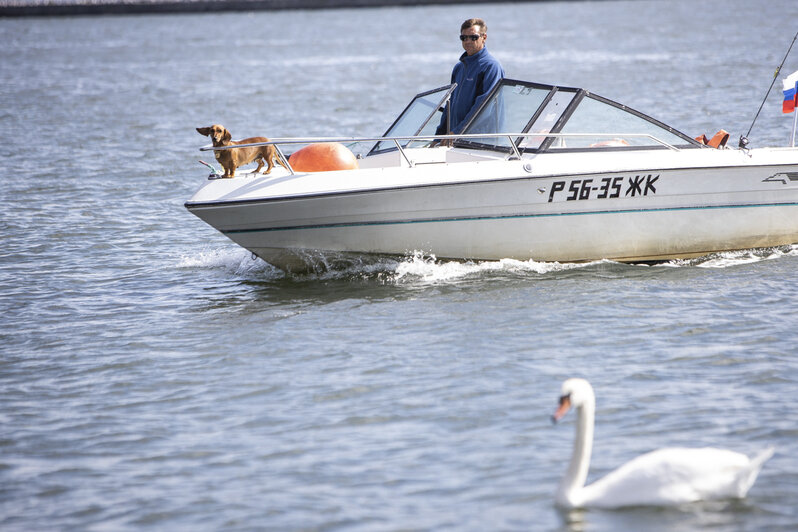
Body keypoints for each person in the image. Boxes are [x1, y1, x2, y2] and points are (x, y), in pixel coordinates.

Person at [435, 18, 505, 138]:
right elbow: (449, 105)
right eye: (464, 38)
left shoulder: (491, 66)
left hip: (481, 142)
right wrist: (439, 136)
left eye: (473, 37)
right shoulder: (459, 68)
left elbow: (484, 106)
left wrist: (457, 132)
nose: (468, 41)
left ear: (484, 37)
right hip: (456, 139)